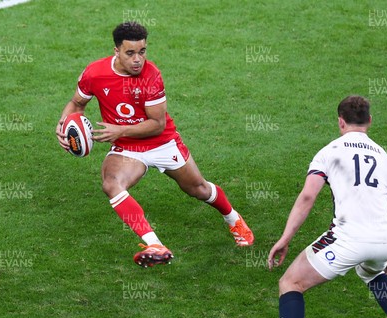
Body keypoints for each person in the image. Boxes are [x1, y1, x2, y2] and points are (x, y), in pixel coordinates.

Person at [55, 22, 254, 267]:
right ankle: (154, 243)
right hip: (127, 148)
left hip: (161, 143)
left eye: (142, 51)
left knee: (198, 189)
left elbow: (157, 124)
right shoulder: (95, 73)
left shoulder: (151, 76)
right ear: (116, 51)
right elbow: (77, 103)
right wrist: (64, 125)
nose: (138, 59)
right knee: (111, 184)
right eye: (130, 53)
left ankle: (233, 219)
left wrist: (120, 129)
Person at [249, 95, 387, 318]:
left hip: (350, 238)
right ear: (370, 121)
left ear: (340, 122)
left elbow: (307, 197)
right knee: (372, 271)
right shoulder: (383, 155)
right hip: (386, 236)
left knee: (290, 283)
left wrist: (285, 238)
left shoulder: (330, 151)